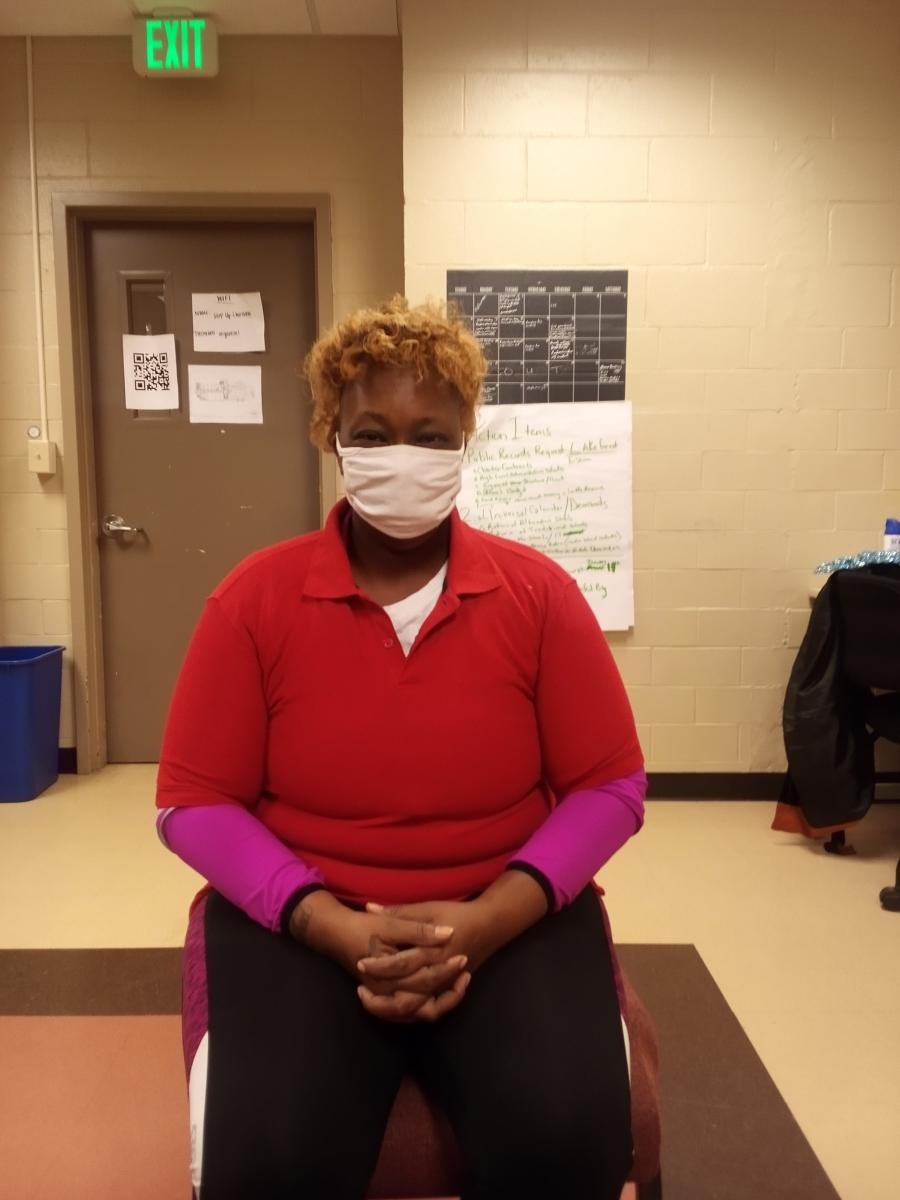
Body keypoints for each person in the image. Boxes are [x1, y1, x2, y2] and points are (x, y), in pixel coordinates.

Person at [156, 296, 646, 1200]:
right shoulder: (252, 602)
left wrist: (485, 920)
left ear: (465, 440)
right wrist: (336, 927)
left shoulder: (538, 597)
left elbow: (610, 787)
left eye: (430, 434)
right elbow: (192, 803)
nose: (402, 458)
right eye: (372, 434)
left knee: (568, 1143)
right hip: (304, 917)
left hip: (507, 910)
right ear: (331, 439)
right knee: (268, 1161)